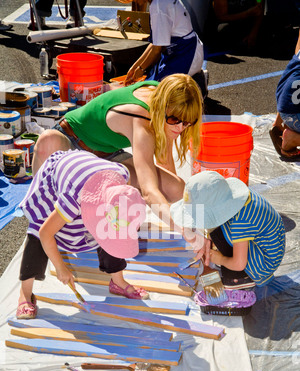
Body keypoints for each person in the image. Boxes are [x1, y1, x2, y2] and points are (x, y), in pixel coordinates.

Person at [32, 74, 205, 248]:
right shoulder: (141, 119)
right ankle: (40, 225)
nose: (180, 128)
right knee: (48, 142)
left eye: (188, 122)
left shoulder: (162, 96)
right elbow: (148, 190)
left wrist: (190, 222)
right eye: (175, 120)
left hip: (106, 156)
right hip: (71, 144)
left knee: (176, 188)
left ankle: (92, 206)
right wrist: (183, 229)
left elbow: (165, 161)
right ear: (163, 106)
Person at [16, 148, 149, 320]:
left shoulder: (121, 176)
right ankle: (25, 293)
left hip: (91, 176)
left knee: (111, 233)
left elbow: (116, 215)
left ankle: (118, 281)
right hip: (58, 177)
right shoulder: (73, 198)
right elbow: (45, 234)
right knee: (37, 231)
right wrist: (61, 268)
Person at [170, 171, 285, 289]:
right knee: (216, 230)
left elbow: (239, 264)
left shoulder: (241, 222)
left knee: (218, 234)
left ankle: (242, 278)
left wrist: (221, 259)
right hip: (266, 247)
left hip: (263, 264)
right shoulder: (236, 200)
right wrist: (188, 230)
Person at [118, 0, 205, 95]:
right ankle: (194, 78)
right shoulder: (159, 3)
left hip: (187, 54)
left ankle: (197, 86)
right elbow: (155, 43)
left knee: (156, 94)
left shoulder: (158, 7)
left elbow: (156, 49)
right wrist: (135, 67)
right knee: (150, 82)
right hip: (182, 49)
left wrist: (141, 69)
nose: (136, 2)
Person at [269, 29, 300, 158]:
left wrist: (278, 121)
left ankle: (288, 124)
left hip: (284, 103)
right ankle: (292, 138)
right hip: (292, 110)